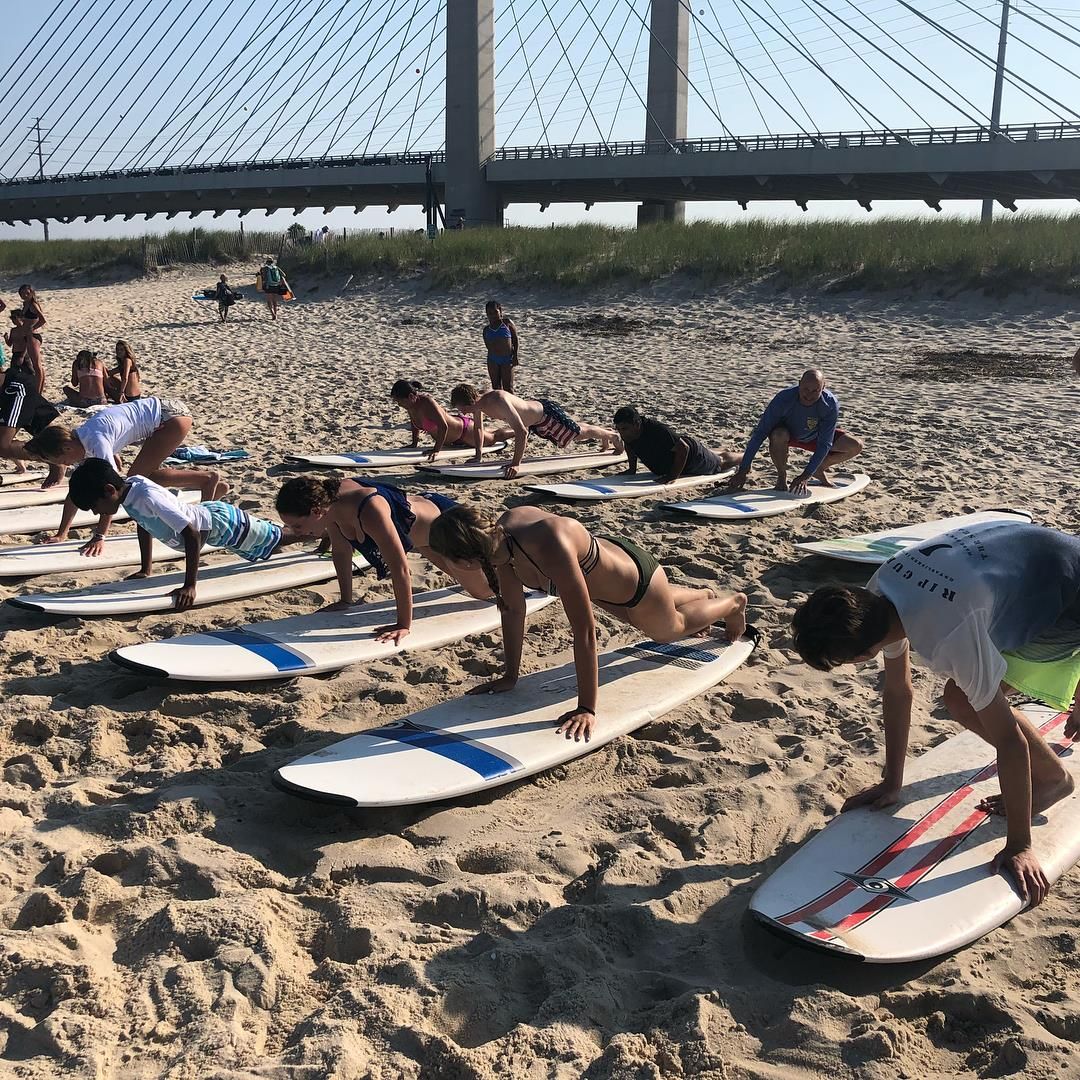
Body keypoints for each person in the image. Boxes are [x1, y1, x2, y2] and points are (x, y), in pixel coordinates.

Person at [791, 519, 1080, 908]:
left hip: (1066, 591)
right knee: (964, 696)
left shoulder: (951, 633)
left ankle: (1054, 780)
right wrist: (892, 782)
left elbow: (1010, 743)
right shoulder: (879, 594)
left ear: (862, 654)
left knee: (964, 697)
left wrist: (1019, 845)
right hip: (1024, 558)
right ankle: (1052, 773)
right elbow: (898, 690)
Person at [430, 504, 748, 740]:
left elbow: (584, 631)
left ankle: (732, 604)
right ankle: (701, 594)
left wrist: (587, 707)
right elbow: (513, 611)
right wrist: (510, 676)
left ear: (467, 559)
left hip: (633, 582)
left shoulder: (546, 544)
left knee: (669, 630)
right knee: (656, 608)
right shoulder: (499, 546)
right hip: (607, 581)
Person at [275, 476, 492, 643]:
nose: (295, 532)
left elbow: (400, 569)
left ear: (316, 511)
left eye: (298, 526)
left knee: (483, 592)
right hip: (425, 540)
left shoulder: (370, 510)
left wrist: (403, 624)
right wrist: (345, 601)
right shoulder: (329, 506)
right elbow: (341, 552)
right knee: (476, 585)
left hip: (451, 527)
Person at [68, 458, 294, 610]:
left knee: (281, 540)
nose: (97, 512)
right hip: (212, 523)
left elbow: (192, 534)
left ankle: (323, 533)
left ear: (109, 490)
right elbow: (143, 523)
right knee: (268, 544)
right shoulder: (129, 491)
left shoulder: (146, 496)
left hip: (222, 524)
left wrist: (190, 585)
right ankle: (318, 532)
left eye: (94, 506)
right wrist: (146, 570)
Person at [24, 397, 227, 554]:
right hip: (165, 413)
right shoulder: (82, 439)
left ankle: (207, 480)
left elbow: (111, 493)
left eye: (62, 461)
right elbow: (76, 490)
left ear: (67, 448)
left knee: (137, 481)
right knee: (145, 477)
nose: (66, 465)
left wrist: (99, 536)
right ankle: (211, 483)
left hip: (170, 417)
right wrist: (62, 533)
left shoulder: (96, 442)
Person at [726, 369, 863, 495]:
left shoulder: (830, 404)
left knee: (855, 445)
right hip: (788, 436)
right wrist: (743, 470)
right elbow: (760, 434)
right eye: (805, 389)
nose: (808, 395)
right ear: (799, 384)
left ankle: (818, 469)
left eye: (815, 391)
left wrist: (806, 475)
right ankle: (781, 477)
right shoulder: (783, 398)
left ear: (823, 388)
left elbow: (824, 444)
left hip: (815, 437)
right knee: (778, 434)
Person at [450, 383, 623, 480]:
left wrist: (516, 463)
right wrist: (478, 455)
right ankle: (604, 433)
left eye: (462, 409)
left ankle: (612, 435)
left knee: (577, 435)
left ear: (470, 402)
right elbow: (479, 428)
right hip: (535, 420)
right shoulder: (478, 404)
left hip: (545, 415)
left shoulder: (497, 401)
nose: (462, 413)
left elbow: (522, 432)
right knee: (576, 431)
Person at [613, 406, 740, 484]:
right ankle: (719, 450)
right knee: (713, 455)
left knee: (721, 462)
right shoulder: (629, 434)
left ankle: (744, 456)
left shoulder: (657, 430)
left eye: (624, 428)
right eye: (619, 429)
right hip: (674, 458)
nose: (621, 433)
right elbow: (629, 445)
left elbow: (684, 448)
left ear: (636, 424)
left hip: (693, 458)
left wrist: (672, 476)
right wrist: (632, 469)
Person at [390, 379, 502, 460]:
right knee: (489, 434)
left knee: (494, 438)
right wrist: (414, 443)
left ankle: (515, 431)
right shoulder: (410, 405)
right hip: (452, 441)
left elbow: (444, 427)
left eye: (400, 401)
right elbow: (414, 423)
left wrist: (436, 450)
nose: (399, 404)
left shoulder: (427, 403)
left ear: (410, 396)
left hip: (464, 431)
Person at [0, 366, 62, 483]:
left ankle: (55, 459)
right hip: (13, 386)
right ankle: (56, 457)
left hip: (14, 388)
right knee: (48, 436)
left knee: (2, 445)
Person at [5, 308, 45, 394]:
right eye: (12, 319)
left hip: (24, 354)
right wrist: (6, 339)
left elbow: (27, 343)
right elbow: (10, 344)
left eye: (14, 318)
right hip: (15, 353)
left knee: (30, 373)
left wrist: (22, 356)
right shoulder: (13, 330)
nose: (13, 321)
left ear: (20, 318)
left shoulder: (25, 329)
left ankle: (34, 389)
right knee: (13, 373)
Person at [483, 300, 519, 392]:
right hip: (493, 360)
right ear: (487, 314)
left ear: (500, 311)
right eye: (490, 313)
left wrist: (515, 355)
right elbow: (488, 346)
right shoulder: (486, 330)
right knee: (496, 388)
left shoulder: (507, 323)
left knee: (508, 388)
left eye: (495, 312)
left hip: (507, 359)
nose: (493, 315)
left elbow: (515, 340)